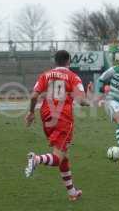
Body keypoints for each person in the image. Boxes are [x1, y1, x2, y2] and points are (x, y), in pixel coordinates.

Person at [24, 50, 90, 202]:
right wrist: (89, 99)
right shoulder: (73, 77)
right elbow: (81, 100)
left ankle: (72, 192)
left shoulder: (45, 75)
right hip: (63, 118)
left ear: (55, 61)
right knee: (58, 157)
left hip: (46, 116)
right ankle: (36, 160)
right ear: (68, 62)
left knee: (64, 156)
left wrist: (31, 112)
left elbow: (34, 95)